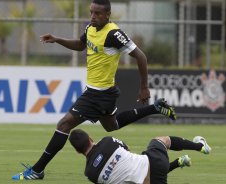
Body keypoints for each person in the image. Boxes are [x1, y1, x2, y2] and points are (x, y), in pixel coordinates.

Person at [12, 0, 176, 180]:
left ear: (108, 15)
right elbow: (80, 45)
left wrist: (144, 86)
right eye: (91, 12)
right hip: (100, 93)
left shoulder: (114, 33)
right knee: (111, 125)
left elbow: (141, 56)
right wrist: (58, 40)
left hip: (98, 94)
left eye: (97, 13)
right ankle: (156, 108)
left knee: (64, 125)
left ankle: (37, 170)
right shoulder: (91, 27)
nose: (93, 16)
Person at [69, 129, 211, 184]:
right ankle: (200, 146)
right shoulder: (107, 141)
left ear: (77, 151)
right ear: (90, 139)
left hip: (149, 181)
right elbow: (127, 148)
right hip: (155, 163)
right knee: (160, 140)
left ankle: (179, 162)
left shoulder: (90, 174)